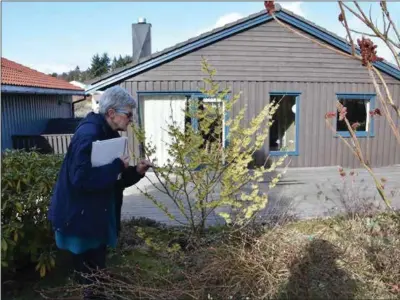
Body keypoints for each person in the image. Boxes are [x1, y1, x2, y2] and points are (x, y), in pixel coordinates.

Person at [48, 86, 151, 299]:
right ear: (111, 113)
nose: (131, 120)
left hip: (94, 217)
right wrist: (115, 166)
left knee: (95, 273)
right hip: (81, 219)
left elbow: (112, 181)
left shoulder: (108, 133)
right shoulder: (89, 134)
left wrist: (136, 172)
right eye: (128, 115)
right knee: (90, 276)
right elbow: (81, 179)